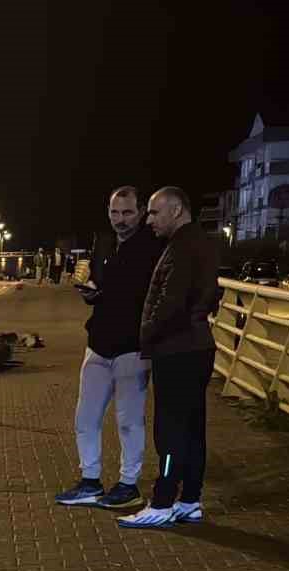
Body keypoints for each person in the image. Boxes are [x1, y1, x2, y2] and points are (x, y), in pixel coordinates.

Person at [56, 186, 165, 509]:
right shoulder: (103, 244)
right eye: (115, 212)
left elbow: (145, 295)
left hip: (132, 346)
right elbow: (104, 286)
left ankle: (128, 484)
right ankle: (90, 481)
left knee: (129, 420)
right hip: (99, 342)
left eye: (128, 212)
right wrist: (91, 292)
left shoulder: (152, 246)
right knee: (85, 417)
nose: (121, 219)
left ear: (141, 211)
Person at [118, 186, 221, 528]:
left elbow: (169, 302)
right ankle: (190, 499)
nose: (149, 220)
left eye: (154, 212)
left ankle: (162, 502)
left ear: (176, 210)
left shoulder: (182, 248)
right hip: (196, 347)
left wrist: (145, 334)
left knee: (170, 430)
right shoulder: (200, 243)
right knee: (193, 429)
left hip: (177, 350)